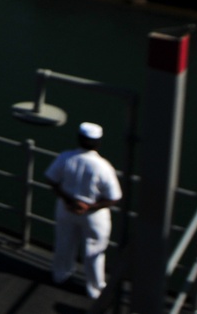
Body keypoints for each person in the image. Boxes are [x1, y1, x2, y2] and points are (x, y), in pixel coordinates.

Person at [44, 122, 123, 300]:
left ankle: (60, 275)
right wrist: (88, 207)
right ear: (98, 143)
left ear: (79, 138)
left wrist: (69, 201)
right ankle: (95, 289)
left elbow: (51, 179)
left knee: (63, 244)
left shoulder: (66, 157)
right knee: (94, 252)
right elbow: (114, 197)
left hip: (65, 210)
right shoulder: (103, 166)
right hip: (94, 216)